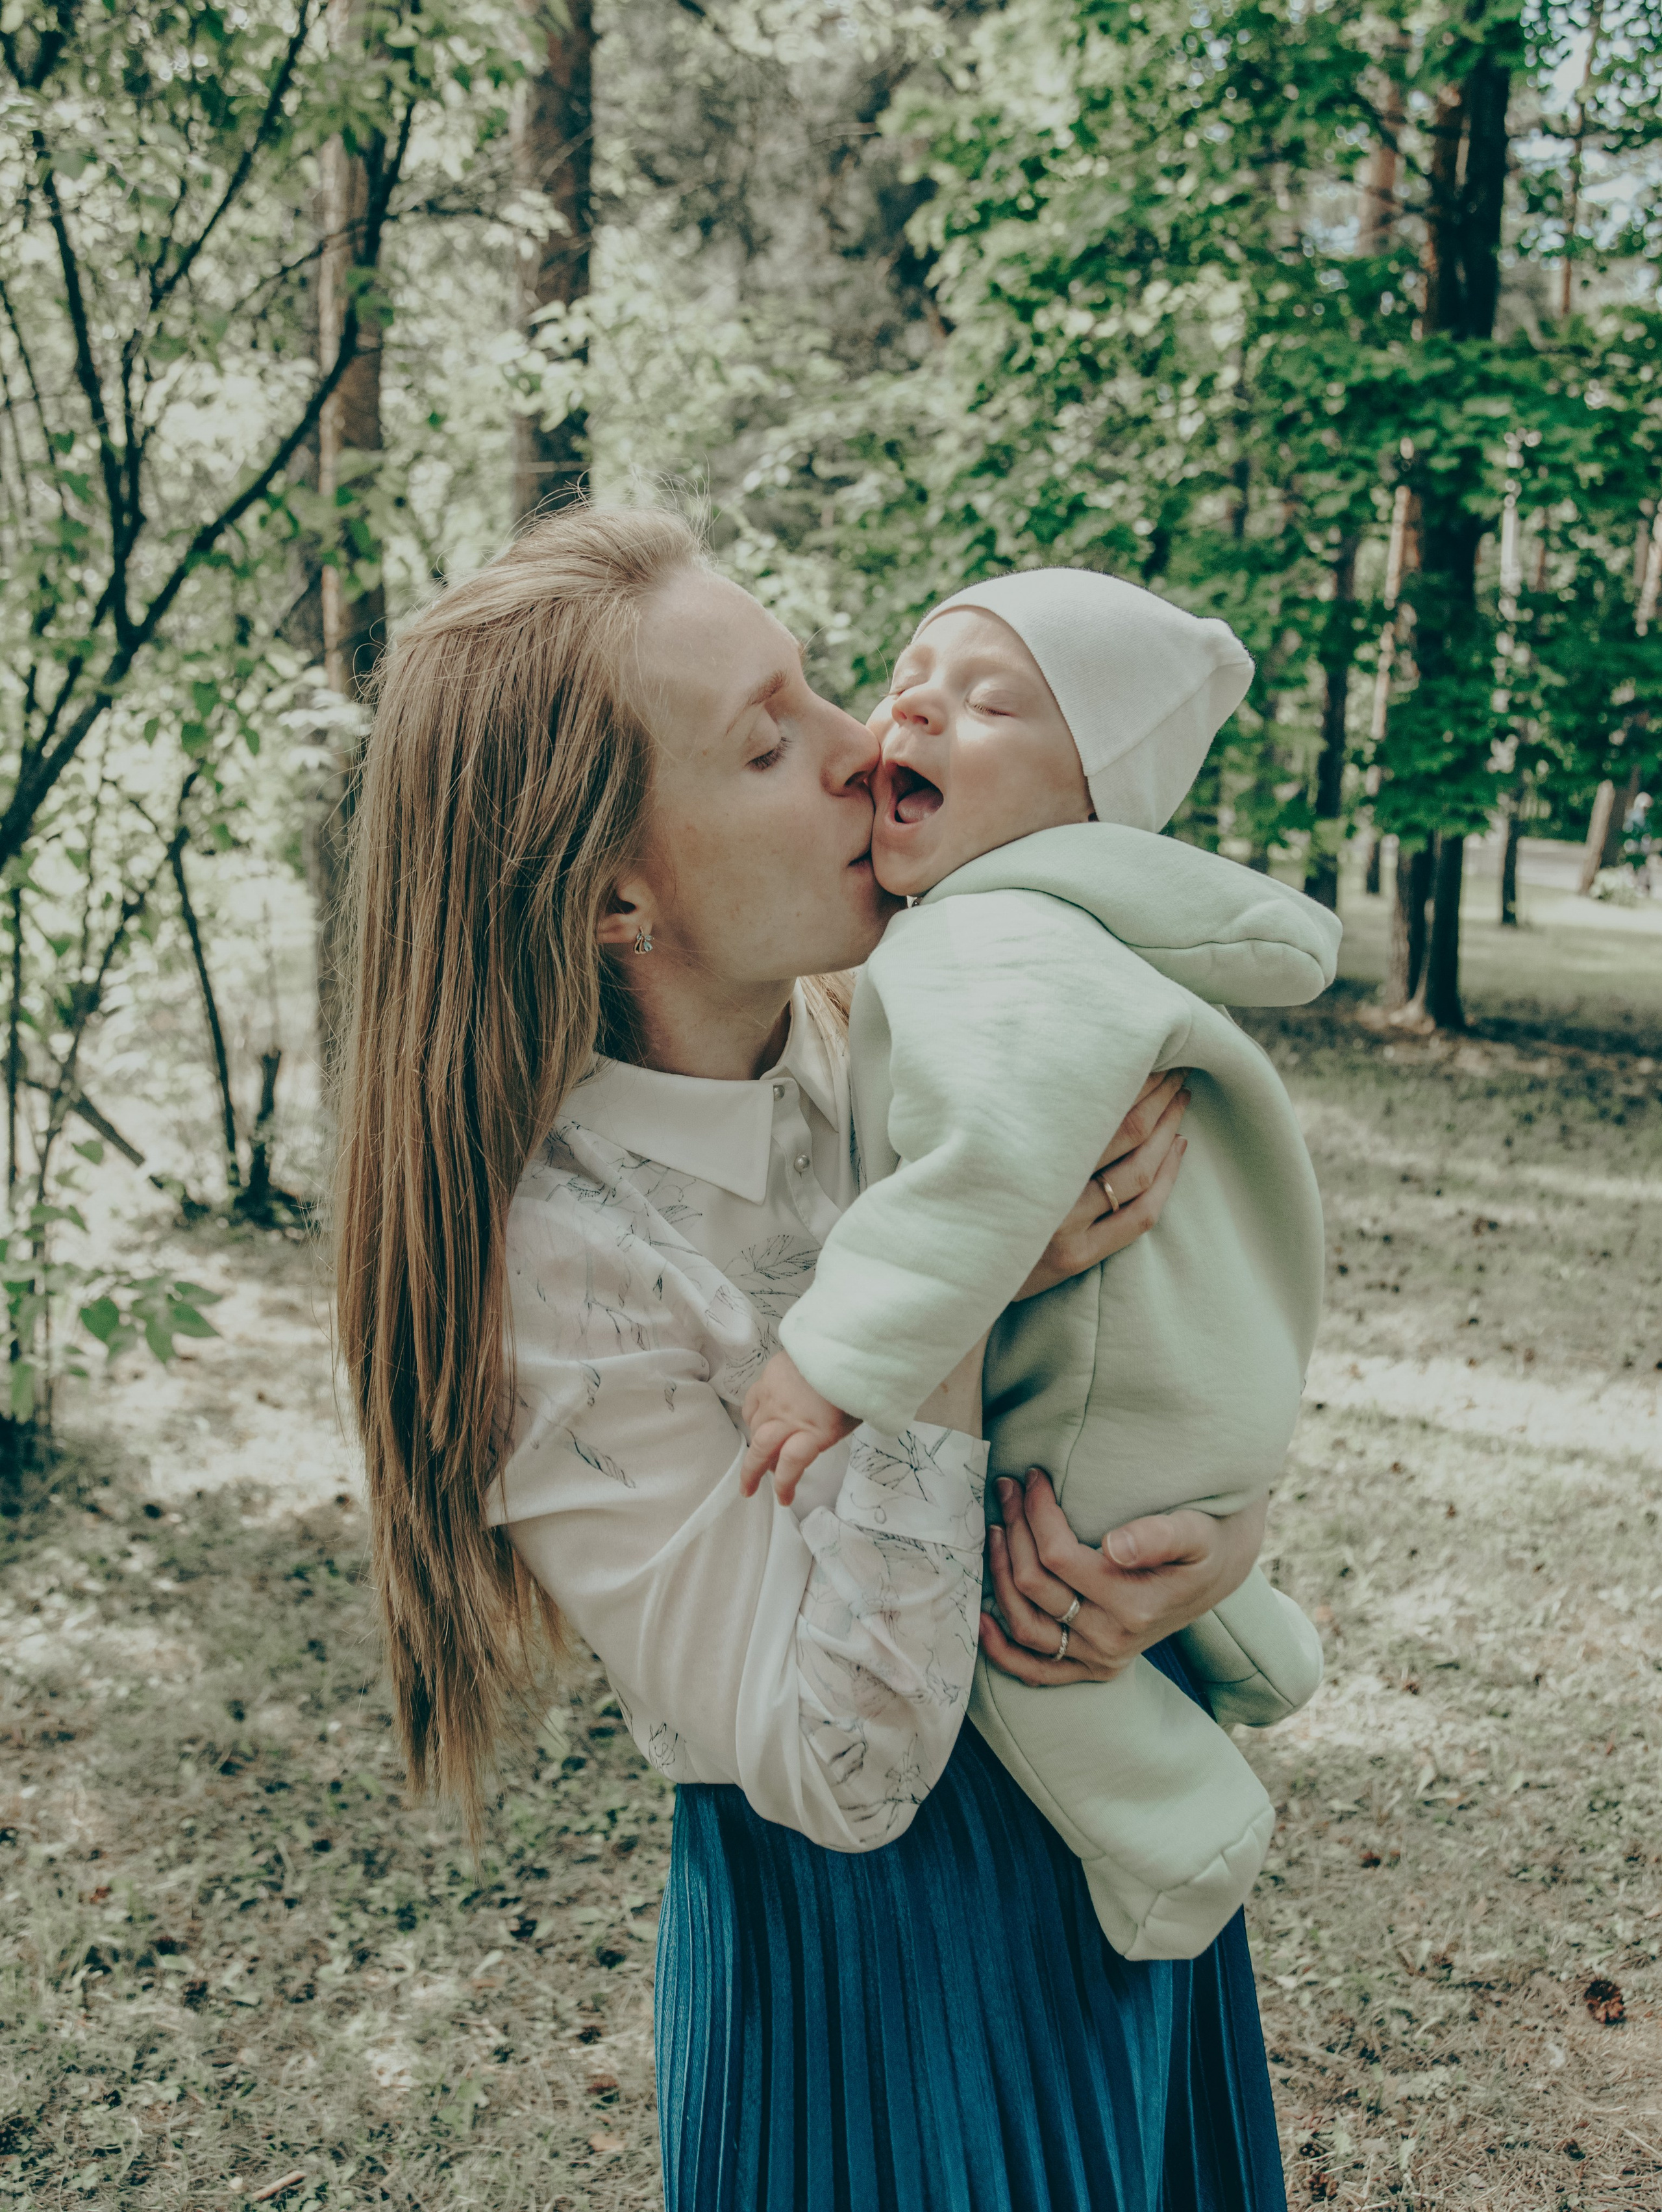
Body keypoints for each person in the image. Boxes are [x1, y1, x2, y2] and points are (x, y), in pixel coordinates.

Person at [336, 507, 1289, 2211]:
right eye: (770, 740)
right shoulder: (559, 1282)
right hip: (878, 1993)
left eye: (825, 689)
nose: (869, 751)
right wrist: (954, 1303)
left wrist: (1199, 1557)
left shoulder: (921, 1034)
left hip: (1105, 1883)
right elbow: (842, 1768)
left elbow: (1177, 1343)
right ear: (617, 890)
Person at [741, 569, 1335, 1964]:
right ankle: (1256, 1644)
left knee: (1016, 1621)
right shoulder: (1052, 924)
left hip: (1087, 1412)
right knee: (1126, 1546)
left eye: (991, 700)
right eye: (913, 676)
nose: (912, 708)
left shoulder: (993, 939)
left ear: (1088, 800)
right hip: (1182, 1385)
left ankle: (1182, 1836)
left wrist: (831, 1357)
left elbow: (986, 1169)